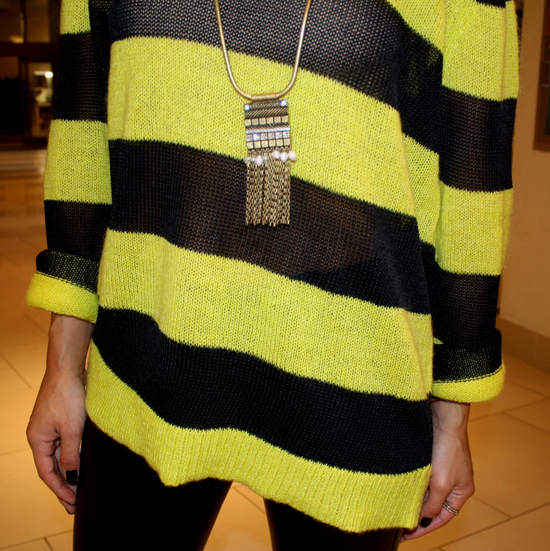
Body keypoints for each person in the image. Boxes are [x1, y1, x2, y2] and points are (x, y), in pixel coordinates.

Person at [25, 0, 519, 549]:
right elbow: (82, 144)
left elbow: (473, 192)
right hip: (151, 346)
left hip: (349, 361)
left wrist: (451, 415)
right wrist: (62, 365)